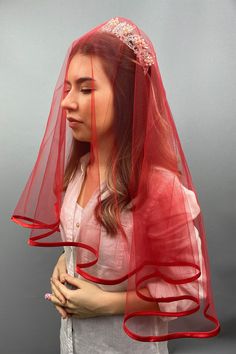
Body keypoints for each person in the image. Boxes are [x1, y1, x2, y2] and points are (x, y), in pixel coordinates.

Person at [11, 16, 220, 354]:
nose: (66, 102)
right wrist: (64, 264)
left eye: (86, 88)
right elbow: (83, 244)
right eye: (67, 89)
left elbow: (189, 291)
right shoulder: (79, 171)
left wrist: (107, 302)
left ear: (125, 96)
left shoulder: (159, 190)